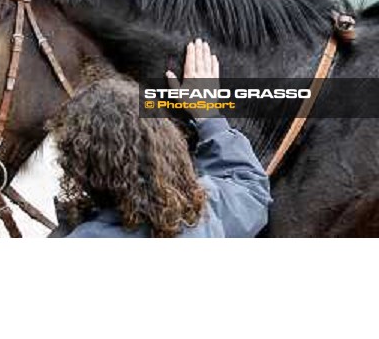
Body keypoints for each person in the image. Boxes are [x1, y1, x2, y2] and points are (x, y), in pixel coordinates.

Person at [48, 39, 272, 238]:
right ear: (167, 144)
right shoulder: (204, 217)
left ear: (78, 169)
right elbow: (250, 188)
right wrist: (208, 112)